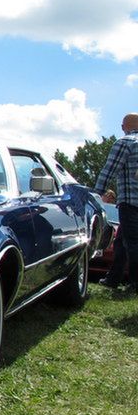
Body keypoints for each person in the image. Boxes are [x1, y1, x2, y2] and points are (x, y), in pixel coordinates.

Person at [93, 112, 138, 294]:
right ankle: (113, 278)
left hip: (130, 202)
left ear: (124, 126)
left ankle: (135, 284)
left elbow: (109, 170)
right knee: (120, 242)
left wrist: (96, 194)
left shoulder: (126, 142)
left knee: (133, 243)